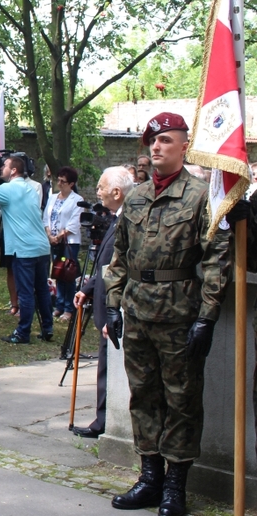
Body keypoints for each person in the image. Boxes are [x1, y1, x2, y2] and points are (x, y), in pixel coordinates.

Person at [103, 113, 232, 516]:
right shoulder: (137, 196)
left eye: (165, 140)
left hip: (179, 314)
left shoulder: (200, 197)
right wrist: (113, 304)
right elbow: (120, 256)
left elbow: (216, 261)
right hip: (138, 311)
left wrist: (207, 318)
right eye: (152, 141)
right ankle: (149, 479)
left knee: (182, 400)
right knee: (144, 397)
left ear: (183, 146)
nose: (155, 147)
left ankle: (176, 486)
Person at [71, 166, 134, 439]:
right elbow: (104, 265)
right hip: (103, 300)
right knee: (104, 366)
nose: (97, 192)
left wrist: (112, 310)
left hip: (114, 306)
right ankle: (102, 419)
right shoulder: (116, 218)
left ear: (117, 192)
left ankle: (105, 422)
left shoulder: (127, 221)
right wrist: (87, 288)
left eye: (101, 187)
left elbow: (119, 269)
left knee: (109, 369)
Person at [0, 155, 53, 344]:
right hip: (42, 246)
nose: (1, 168)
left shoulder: (8, 189)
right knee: (42, 289)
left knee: (25, 292)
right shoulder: (30, 188)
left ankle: (23, 332)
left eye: (5, 165)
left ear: (14, 170)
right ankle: (47, 328)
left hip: (24, 249)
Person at [42, 166, 83, 322]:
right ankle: (59, 305)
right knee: (58, 273)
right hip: (54, 241)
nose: (59, 183)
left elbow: (74, 223)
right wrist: (49, 235)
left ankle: (68, 308)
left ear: (71, 184)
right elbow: (46, 217)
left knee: (68, 274)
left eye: (63, 181)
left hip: (69, 242)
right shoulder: (52, 197)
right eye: (58, 180)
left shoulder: (77, 200)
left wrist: (59, 236)